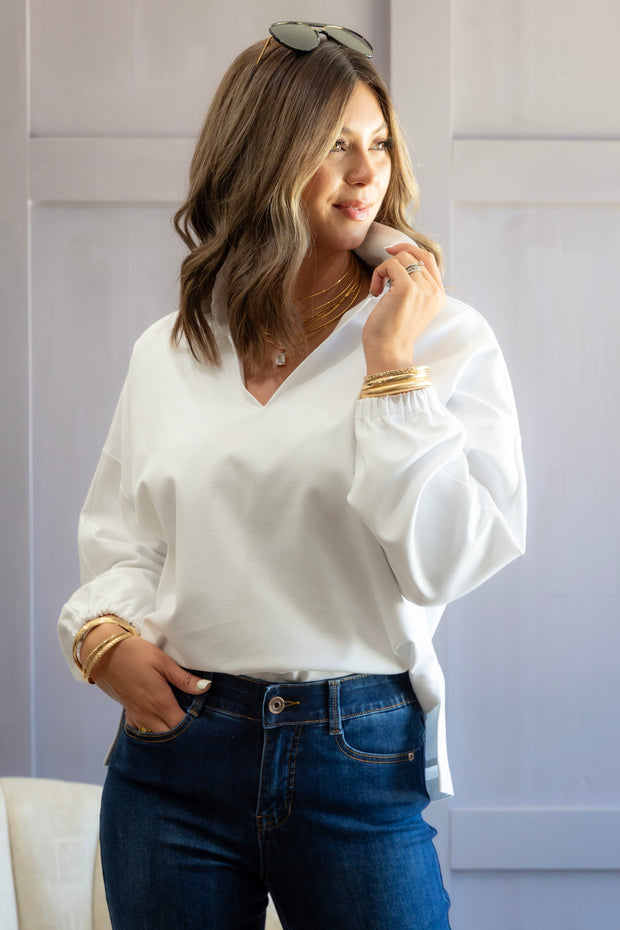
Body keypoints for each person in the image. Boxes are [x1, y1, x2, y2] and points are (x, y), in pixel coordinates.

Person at [58, 22, 526, 930]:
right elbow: (125, 540)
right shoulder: (171, 348)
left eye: (379, 143)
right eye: (335, 144)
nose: (367, 172)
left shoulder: (445, 339)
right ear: (262, 156)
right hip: (174, 764)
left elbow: (448, 561)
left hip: (357, 758)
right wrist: (101, 638)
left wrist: (391, 371)